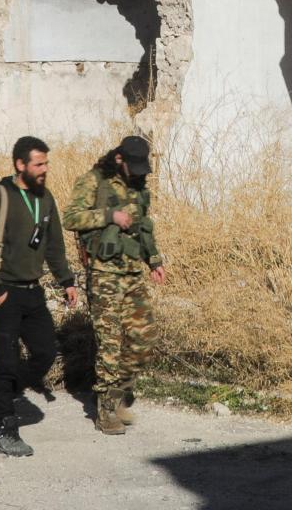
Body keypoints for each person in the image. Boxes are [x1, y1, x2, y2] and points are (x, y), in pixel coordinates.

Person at [0, 136, 79, 457]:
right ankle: (5, 429)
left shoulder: (46, 199)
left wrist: (67, 280)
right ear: (20, 165)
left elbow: (54, 246)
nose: (44, 170)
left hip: (33, 292)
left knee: (45, 353)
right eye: (38, 164)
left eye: (46, 164)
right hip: (4, 293)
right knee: (6, 363)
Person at [62, 135, 167, 435]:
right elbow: (71, 217)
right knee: (110, 343)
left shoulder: (137, 184)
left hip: (133, 272)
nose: (137, 172)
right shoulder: (93, 181)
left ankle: (121, 393)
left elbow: (144, 226)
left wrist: (154, 260)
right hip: (105, 274)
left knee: (142, 339)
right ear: (119, 159)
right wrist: (109, 215)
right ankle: (106, 409)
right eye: (132, 166)